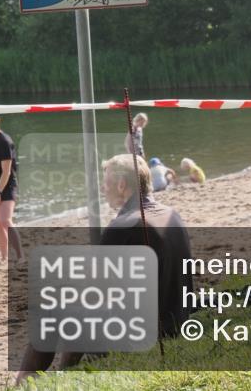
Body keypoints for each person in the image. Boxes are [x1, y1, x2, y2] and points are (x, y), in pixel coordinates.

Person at [16, 154, 192, 383]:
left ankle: (22, 383)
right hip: (176, 323)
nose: (102, 187)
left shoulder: (123, 226)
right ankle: (64, 376)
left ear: (121, 185)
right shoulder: (172, 215)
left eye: (106, 181)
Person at [0, 112, 22, 261]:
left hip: (6, 186)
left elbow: (7, 171)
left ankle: (20, 256)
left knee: (5, 220)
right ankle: (4, 257)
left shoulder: (4, 141)